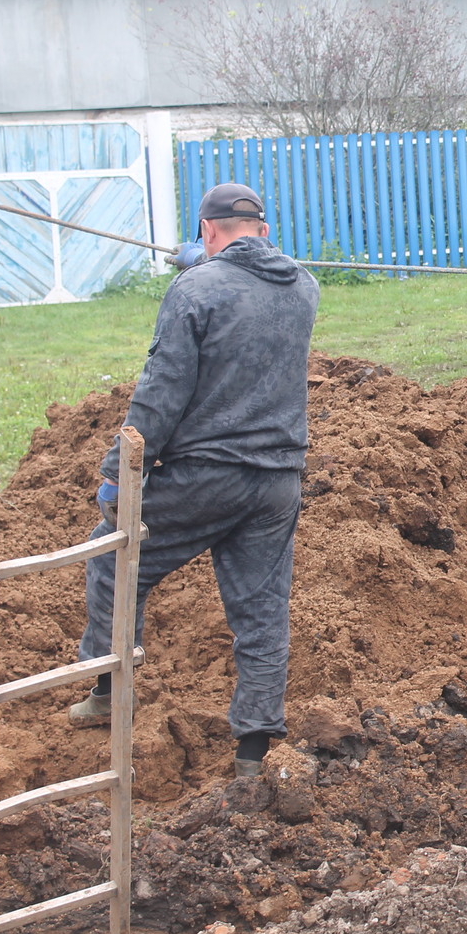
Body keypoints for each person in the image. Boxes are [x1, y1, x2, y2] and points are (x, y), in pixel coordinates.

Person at [70, 182, 320, 778]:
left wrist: (118, 474)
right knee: (261, 610)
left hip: (208, 475)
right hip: (279, 478)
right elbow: (252, 282)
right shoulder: (304, 286)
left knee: (113, 561)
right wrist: (211, 265)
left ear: (206, 230)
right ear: (264, 229)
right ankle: (254, 749)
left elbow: (161, 390)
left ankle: (107, 690)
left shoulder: (196, 288)